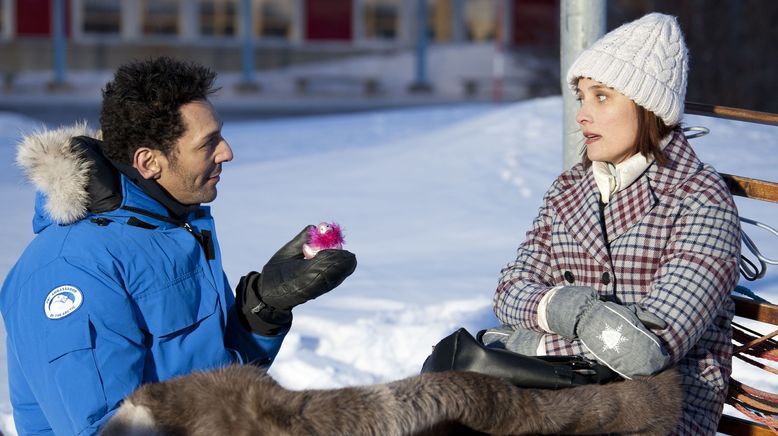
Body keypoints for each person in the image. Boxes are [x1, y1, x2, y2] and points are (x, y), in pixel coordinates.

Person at [0, 57, 356, 435]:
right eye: (208, 143)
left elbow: (210, 383)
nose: (227, 152)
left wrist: (261, 309)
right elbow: (108, 428)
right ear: (149, 162)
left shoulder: (172, 229)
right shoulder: (74, 266)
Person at [484, 13, 740, 435]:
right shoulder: (568, 189)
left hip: (666, 406)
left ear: (647, 106)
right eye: (581, 97)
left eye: (601, 97)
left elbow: (644, 351)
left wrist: (525, 341)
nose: (582, 115)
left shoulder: (700, 201)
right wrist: (569, 316)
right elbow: (509, 290)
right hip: (564, 393)